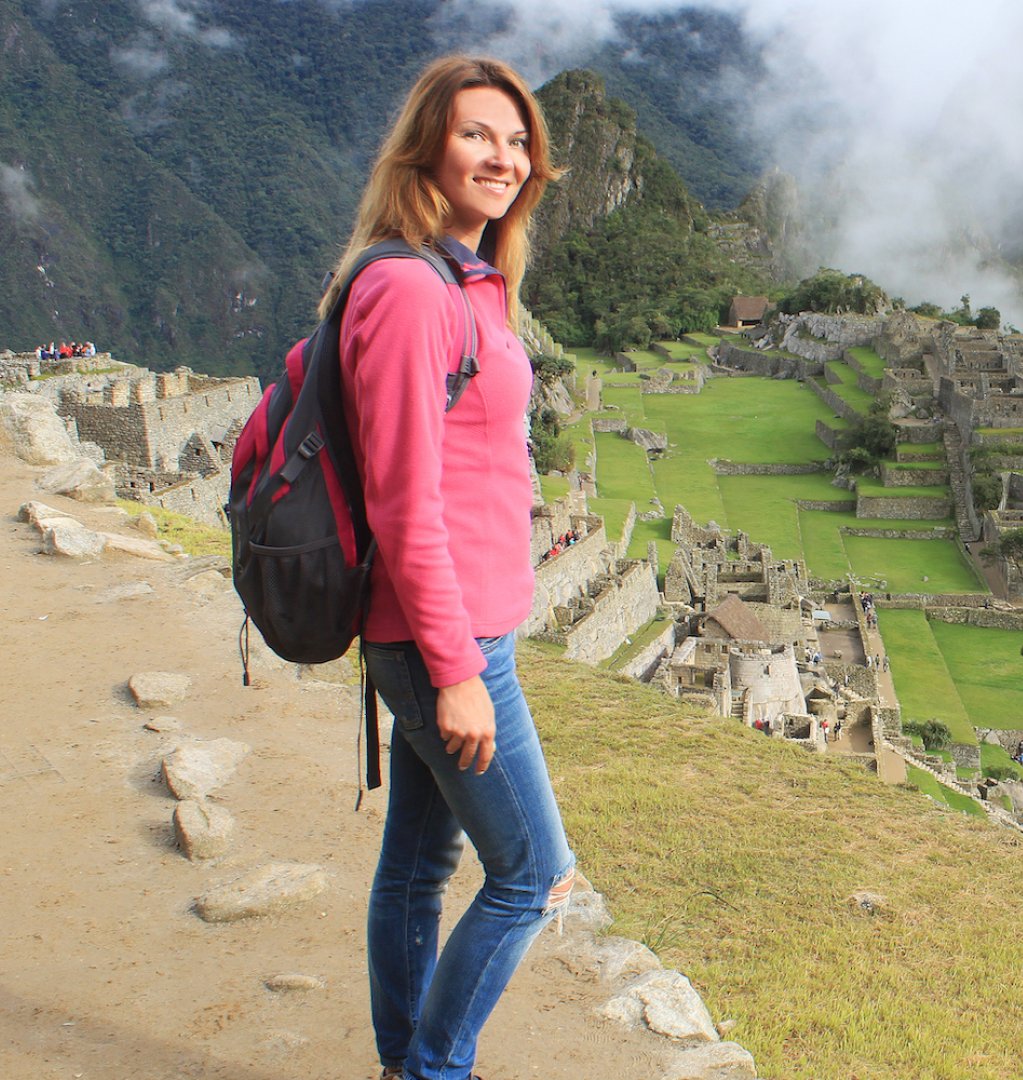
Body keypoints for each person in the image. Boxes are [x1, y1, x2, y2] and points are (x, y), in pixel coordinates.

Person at [332, 54, 571, 1080]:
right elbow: (403, 499)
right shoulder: (410, 288)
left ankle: (402, 1061)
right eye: (479, 133)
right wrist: (458, 668)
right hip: (447, 639)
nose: (503, 157)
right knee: (532, 876)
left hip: (460, 629)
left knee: (421, 866)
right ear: (428, 142)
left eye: (518, 141)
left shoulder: (472, 283)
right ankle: (434, 1070)